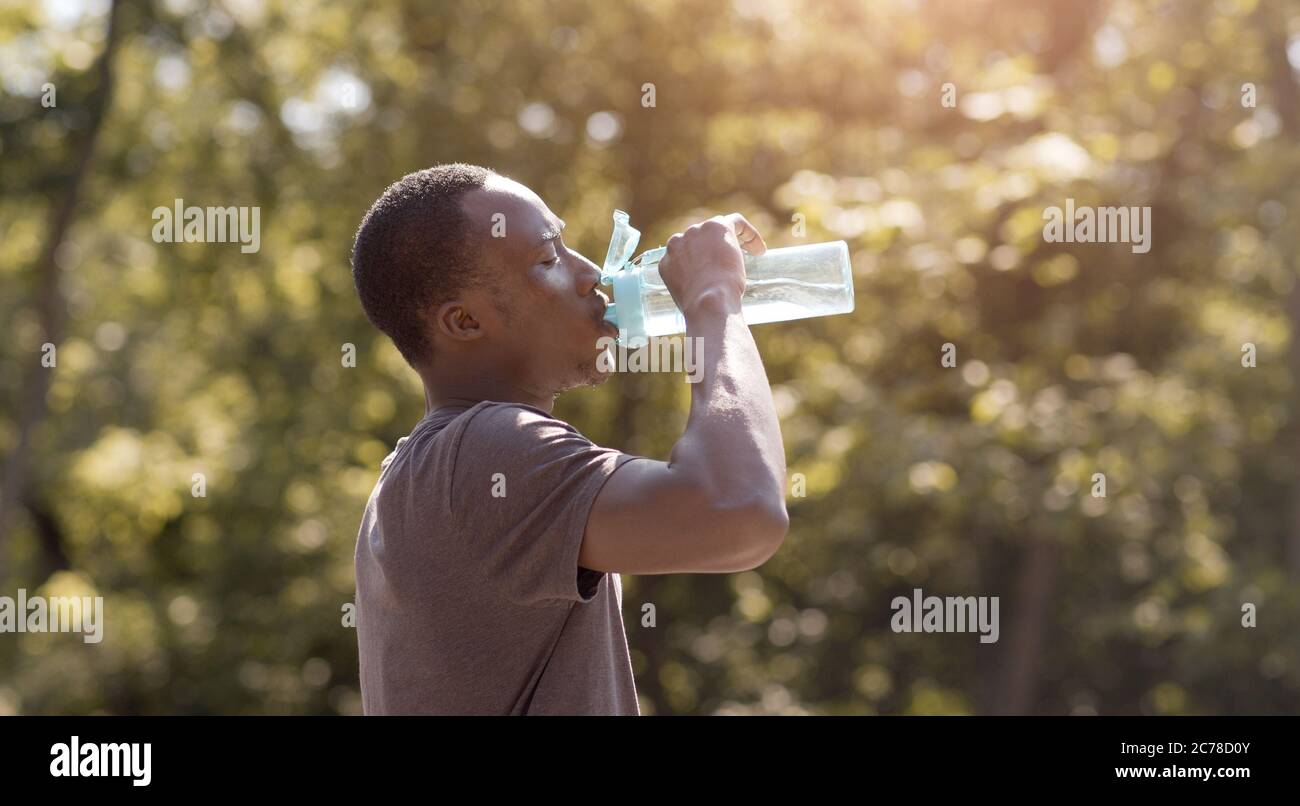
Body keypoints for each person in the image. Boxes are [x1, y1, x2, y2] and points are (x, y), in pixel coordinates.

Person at [349, 163, 789, 715]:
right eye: (547, 259)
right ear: (463, 322)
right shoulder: (484, 452)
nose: (589, 276)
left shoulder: (419, 473)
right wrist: (714, 300)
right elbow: (741, 511)